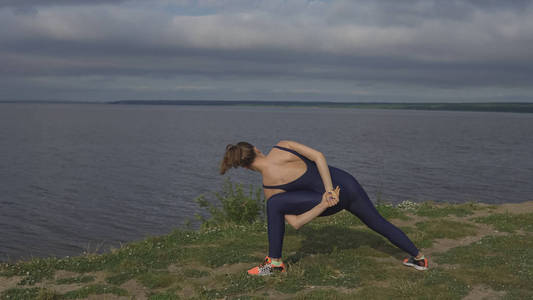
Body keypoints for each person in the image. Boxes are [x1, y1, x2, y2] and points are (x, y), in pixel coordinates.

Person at [219, 140, 428, 276]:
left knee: (274, 204)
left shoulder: (270, 188)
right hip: (347, 184)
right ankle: (419, 258)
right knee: (378, 222)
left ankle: (274, 263)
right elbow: (318, 156)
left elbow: (296, 223)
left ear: (245, 167)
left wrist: (324, 200)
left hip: (329, 199)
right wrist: (328, 193)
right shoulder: (282, 146)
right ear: (256, 148)